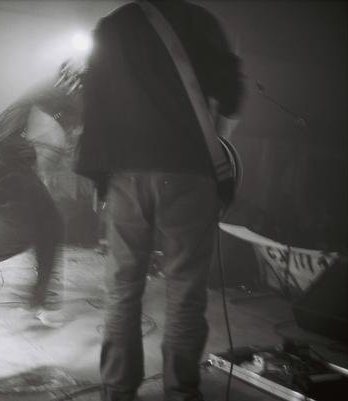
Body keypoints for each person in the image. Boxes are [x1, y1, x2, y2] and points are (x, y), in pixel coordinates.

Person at [75, 1, 244, 400]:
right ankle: (181, 391)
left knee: (122, 287)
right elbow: (232, 95)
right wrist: (216, 143)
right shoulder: (202, 21)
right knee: (185, 290)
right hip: (189, 171)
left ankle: (118, 390)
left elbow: (93, 102)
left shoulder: (113, 25)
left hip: (126, 172)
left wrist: (98, 177)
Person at [0, 71, 83, 326]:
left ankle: (41, 299)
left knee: (45, 228)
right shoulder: (51, 110)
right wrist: (47, 178)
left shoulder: (47, 102)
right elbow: (46, 150)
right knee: (27, 231)